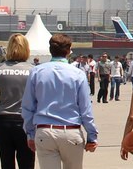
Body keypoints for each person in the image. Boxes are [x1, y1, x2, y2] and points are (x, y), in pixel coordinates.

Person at [21, 33, 98, 169]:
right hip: (70, 131)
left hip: (44, 131)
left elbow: (28, 107)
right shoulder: (77, 74)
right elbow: (85, 109)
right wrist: (92, 135)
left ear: (50, 50)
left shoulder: (37, 72)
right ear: (68, 51)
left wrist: (30, 133)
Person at [0, 33, 34, 169]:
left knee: (6, 163)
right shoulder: (32, 70)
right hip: (25, 121)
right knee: (27, 163)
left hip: (4, 121)